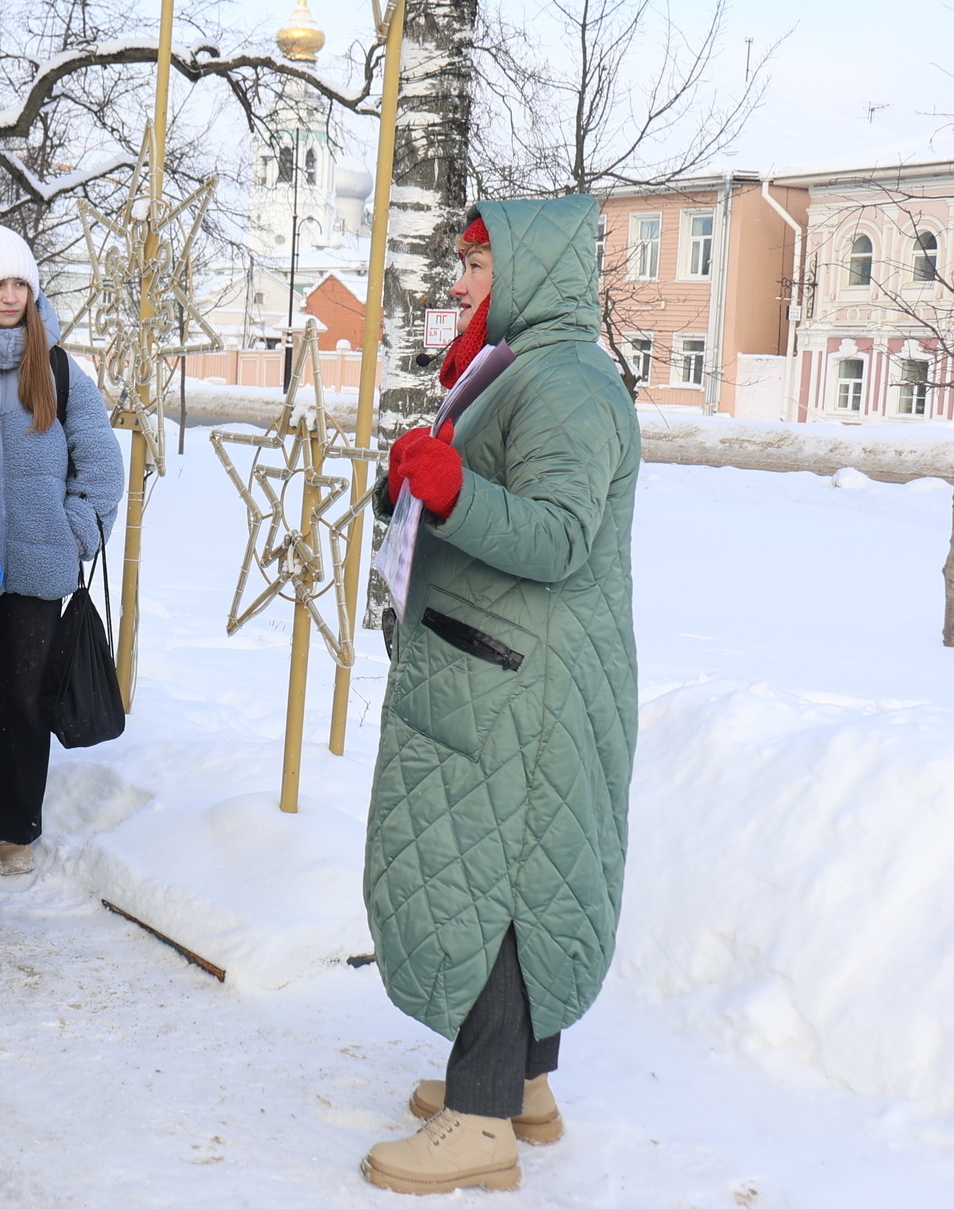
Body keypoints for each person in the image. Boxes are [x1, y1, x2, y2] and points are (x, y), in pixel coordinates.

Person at [360, 198, 639, 1196]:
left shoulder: (564, 385)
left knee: (498, 880)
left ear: (531, 268)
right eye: (461, 259)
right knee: (517, 864)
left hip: (529, 678)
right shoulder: (514, 367)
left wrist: (448, 491)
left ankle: (479, 1123)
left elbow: (558, 537)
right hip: (506, 665)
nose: (460, 279)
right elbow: (469, 492)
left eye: (477, 261)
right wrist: (408, 486)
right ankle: (521, 1086)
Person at [0, 224, 122, 881]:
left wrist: (74, 534)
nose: (10, 296)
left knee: (25, 702)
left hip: (42, 570)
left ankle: (15, 828)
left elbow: (101, 468)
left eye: (21, 284)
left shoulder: (63, 371)